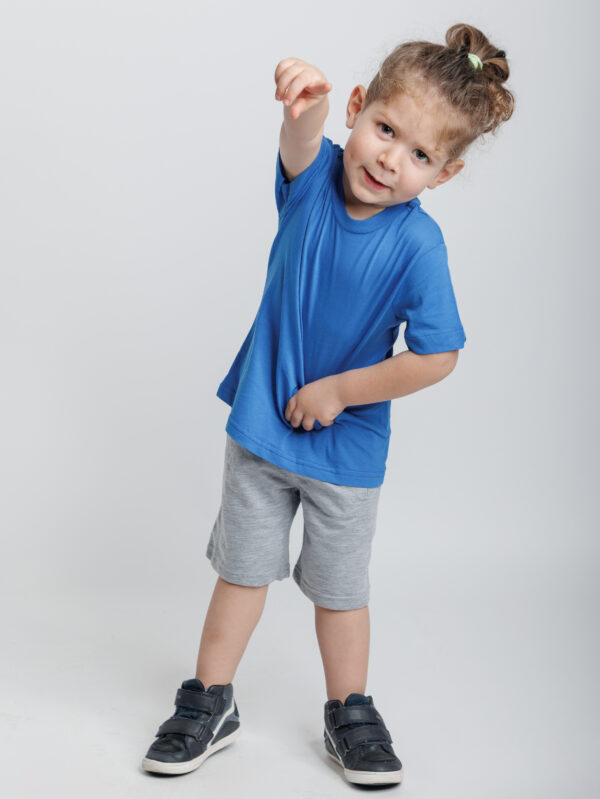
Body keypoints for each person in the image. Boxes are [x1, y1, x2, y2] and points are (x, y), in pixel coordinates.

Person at [141, 22, 515, 787]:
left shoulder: (418, 247)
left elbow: (438, 354)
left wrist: (342, 391)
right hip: (262, 429)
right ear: (356, 107)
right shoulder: (312, 182)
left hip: (346, 453)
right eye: (385, 129)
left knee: (341, 593)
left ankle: (349, 709)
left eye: (420, 155)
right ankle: (211, 697)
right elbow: (301, 137)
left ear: (444, 174)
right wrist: (304, 100)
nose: (390, 159)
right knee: (242, 573)